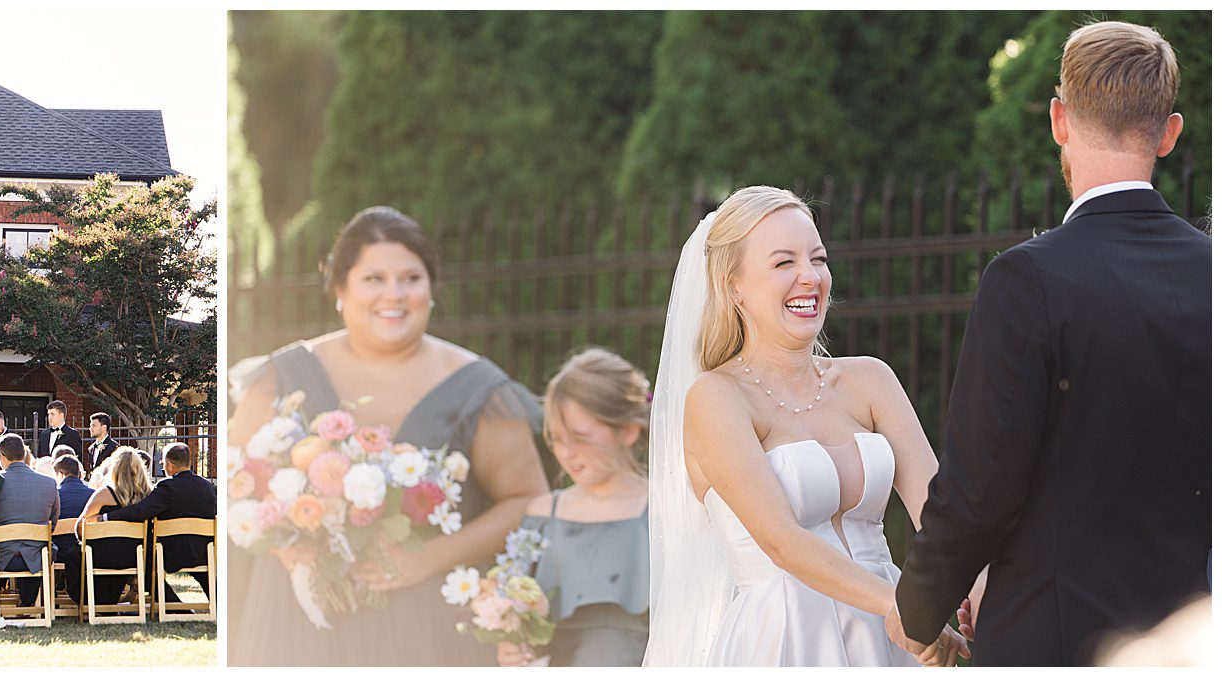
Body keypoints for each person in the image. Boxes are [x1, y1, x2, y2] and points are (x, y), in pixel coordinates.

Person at [894, 22, 1211, 668]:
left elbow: (977, 493)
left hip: (1058, 641)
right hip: (1195, 640)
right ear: (1170, 133)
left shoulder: (1028, 280)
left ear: (1059, 120)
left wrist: (918, 610)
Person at [645, 186, 962, 667]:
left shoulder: (870, 379)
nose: (810, 277)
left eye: (818, 258)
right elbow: (781, 540)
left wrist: (977, 595)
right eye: (783, 263)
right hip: (787, 640)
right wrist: (904, 610)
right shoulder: (716, 398)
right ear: (733, 286)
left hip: (888, 636)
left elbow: (941, 514)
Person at [229, 206, 548, 666]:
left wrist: (428, 557)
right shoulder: (282, 376)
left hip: (425, 628)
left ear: (431, 288)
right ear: (340, 288)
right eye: (374, 279)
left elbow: (527, 501)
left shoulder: (479, 386)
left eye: (411, 278)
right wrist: (284, 541)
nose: (394, 294)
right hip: (298, 623)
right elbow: (238, 483)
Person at [499, 349, 652, 667]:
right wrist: (512, 646)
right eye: (556, 439)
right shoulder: (543, 515)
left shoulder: (662, 513)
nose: (566, 453)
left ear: (627, 430)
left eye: (580, 438)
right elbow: (520, 617)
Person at [106, 443, 215, 604]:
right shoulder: (208, 487)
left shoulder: (167, 487)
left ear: (170, 464)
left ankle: (172, 604)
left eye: (163, 463)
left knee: (146, 557)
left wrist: (107, 516)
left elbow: (141, 511)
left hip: (172, 553)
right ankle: (219, 601)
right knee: (202, 573)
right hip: (204, 551)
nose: (163, 467)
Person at [67, 449, 151, 608]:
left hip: (100, 557)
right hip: (133, 557)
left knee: (73, 555)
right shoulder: (147, 496)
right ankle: (109, 600)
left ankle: (88, 601)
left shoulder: (105, 494)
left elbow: (79, 526)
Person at [0, 433, 60, 607]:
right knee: (44, 546)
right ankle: (28, 603)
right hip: (37, 556)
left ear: (1, 457)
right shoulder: (49, 483)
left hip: (2, 556)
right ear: (25, 455)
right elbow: (53, 521)